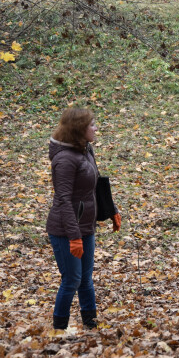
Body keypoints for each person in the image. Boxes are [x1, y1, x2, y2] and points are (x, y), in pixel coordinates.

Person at [46, 107, 121, 330]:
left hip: (86, 226)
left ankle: (91, 324)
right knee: (71, 280)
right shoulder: (65, 160)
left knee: (86, 279)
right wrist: (74, 236)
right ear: (79, 129)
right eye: (92, 125)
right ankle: (59, 328)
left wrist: (111, 210)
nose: (96, 128)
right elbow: (63, 200)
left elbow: (96, 184)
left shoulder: (85, 150)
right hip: (65, 230)